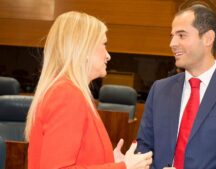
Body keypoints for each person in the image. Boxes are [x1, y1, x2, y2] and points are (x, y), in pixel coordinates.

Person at [136, 5, 216, 169]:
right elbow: (143, 148)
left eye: (181, 35)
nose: (172, 43)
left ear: (208, 38)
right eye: (172, 36)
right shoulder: (160, 89)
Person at [24, 11, 152, 169]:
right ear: (84, 48)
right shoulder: (66, 95)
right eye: (104, 44)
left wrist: (109, 159)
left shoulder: (68, 91)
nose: (108, 55)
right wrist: (123, 167)